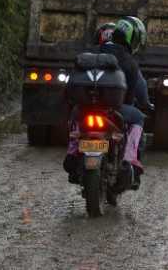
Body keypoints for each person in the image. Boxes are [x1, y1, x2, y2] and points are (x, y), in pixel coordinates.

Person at [64, 17, 153, 189]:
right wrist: (145, 104)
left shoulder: (91, 52)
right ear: (131, 39)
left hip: (85, 109)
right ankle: (129, 158)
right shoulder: (129, 62)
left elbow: (70, 87)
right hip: (114, 111)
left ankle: (72, 151)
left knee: (75, 113)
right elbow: (133, 96)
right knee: (138, 118)